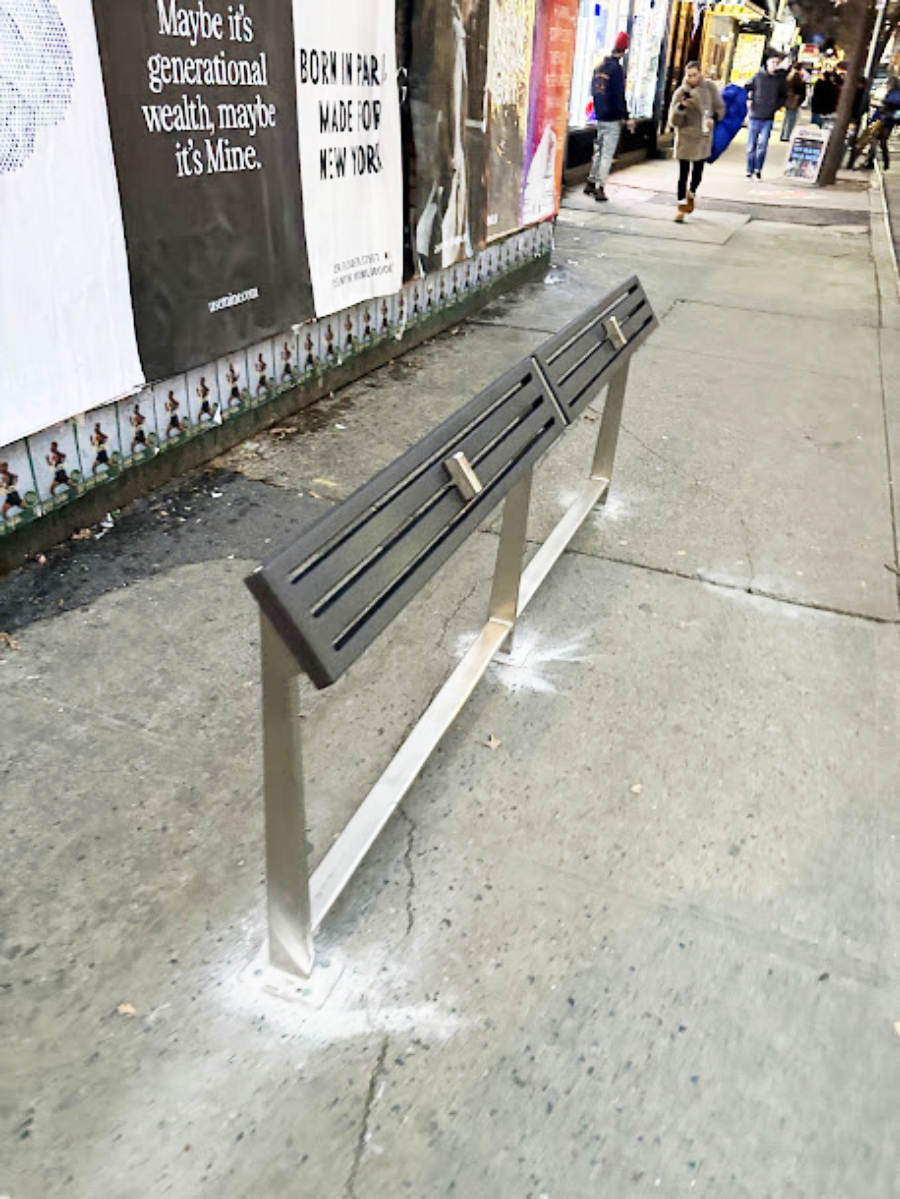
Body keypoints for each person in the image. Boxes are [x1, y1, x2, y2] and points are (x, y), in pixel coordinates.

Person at [669, 61, 724, 223]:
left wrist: (714, 118)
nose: (692, 78)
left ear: (700, 73)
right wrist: (681, 107)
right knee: (683, 173)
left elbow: (720, 108)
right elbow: (673, 121)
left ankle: (691, 193)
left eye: (695, 74)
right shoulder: (681, 92)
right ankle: (680, 207)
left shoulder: (710, 89)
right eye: (689, 75)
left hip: (703, 136)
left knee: (698, 171)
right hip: (686, 136)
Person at [584, 32, 636, 203]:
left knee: (599, 150)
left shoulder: (600, 67)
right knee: (607, 153)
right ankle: (600, 187)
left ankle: (591, 181)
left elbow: (594, 90)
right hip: (612, 116)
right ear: (623, 51)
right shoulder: (617, 70)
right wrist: (626, 116)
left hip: (600, 115)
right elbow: (619, 95)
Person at [745, 57, 788, 178]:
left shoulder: (779, 80)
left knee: (762, 145)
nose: (775, 65)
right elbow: (747, 87)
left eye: (777, 63)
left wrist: (776, 106)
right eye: (773, 62)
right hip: (755, 114)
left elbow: (783, 95)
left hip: (768, 116)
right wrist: (749, 99)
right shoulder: (758, 76)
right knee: (751, 145)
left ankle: (758, 169)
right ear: (767, 63)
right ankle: (749, 169)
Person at [781, 67, 807, 142]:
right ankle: (788, 135)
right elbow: (803, 93)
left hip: (788, 101)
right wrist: (800, 101)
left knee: (786, 119)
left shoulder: (788, 79)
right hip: (795, 102)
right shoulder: (800, 81)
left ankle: (783, 135)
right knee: (791, 120)